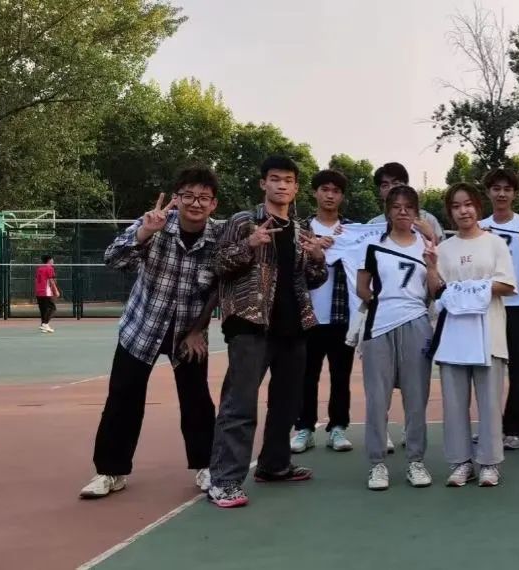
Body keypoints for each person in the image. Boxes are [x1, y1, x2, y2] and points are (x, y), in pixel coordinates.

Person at [79, 167, 222, 499]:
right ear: (176, 198)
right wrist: (144, 232)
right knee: (122, 398)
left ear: (214, 204)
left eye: (204, 198)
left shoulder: (219, 236)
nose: (196, 203)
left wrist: (198, 330)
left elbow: (221, 288)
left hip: (189, 333)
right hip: (142, 327)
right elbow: (112, 259)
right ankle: (110, 471)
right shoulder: (155, 223)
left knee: (197, 400)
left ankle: (206, 465)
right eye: (188, 196)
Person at [206, 156, 330, 508]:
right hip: (251, 324)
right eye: (275, 179)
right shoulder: (243, 221)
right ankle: (224, 481)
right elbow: (218, 264)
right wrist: (250, 244)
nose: (282, 185)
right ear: (263, 184)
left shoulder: (302, 229)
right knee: (240, 404)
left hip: (294, 326)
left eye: (288, 180)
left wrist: (318, 258)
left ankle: (274, 465)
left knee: (287, 403)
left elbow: (313, 280)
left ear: (296, 187)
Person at [432, 183, 518, 487]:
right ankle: (460, 462)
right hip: (453, 336)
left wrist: (470, 288)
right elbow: (435, 290)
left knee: (490, 403)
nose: (463, 211)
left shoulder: (495, 244)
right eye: (456, 206)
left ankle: (490, 462)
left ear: (477, 207)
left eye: (467, 204)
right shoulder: (442, 249)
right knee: (454, 404)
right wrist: (432, 268)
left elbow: (507, 285)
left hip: (489, 335)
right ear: (450, 212)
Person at [357, 186, 441, 490]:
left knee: (416, 398)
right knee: (377, 399)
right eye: (396, 206)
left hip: (417, 324)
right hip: (379, 327)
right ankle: (377, 464)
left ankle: (416, 461)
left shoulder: (427, 246)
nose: (402, 211)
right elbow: (362, 288)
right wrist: (379, 303)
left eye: (408, 207)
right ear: (388, 211)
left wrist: (432, 264)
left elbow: (435, 290)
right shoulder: (373, 246)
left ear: (417, 212)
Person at [291, 170, 358, 454]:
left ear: (342, 196)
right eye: (325, 189)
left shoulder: (352, 230)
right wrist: (314, 249)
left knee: (341, 376)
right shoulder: (299, 228)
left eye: (336, 191)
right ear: (314, 192)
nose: (330, 195)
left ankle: (338, 427)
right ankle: (304, 428)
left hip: (342, 315)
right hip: (307, 316)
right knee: (306, 375)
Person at [479, 168, 519, 450]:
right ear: (489, 192)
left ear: (515, 193)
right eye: (496, 188)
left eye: (507, 189)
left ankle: (514, 429)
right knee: (486, 371)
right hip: (488, 306)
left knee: (518, 373)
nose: (502, 194)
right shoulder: (480, 227)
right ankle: (490, 428)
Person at [369, 162, 444, 243]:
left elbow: (444, 249)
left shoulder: (427, 219)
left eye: (396, 183)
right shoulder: (373, 224)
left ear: (406, 186)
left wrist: (431, 235)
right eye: (385, 185)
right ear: (379, 192)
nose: (391, 188)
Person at [35, 255, 60, 333]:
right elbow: (51, 280)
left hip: (38, 292)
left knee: (43, 310)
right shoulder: (49, 268)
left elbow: (37, 280)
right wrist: (56, 291)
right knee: (52, 308)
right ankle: (45, 324)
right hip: (45, 292)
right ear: (49, 260)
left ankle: (44, 325)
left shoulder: (39, 268)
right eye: (52, 260)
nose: (53, 261)